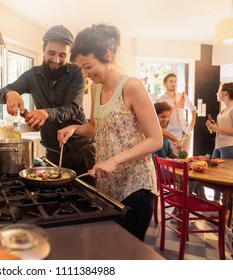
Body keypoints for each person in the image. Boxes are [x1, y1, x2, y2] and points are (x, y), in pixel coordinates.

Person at [57, 24, 162, 241]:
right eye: (81, 69)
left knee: (128, 252)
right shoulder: (96, 89)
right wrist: (74, 128)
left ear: (107, 55)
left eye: (88, 66)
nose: (85, 75)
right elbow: (96, 127)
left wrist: (114, 161)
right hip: (107, 184)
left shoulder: (132, 86)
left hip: (136, 184)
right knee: (110, 247)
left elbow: (155, 140)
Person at [0, 25, 95, 180]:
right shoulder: (31, 76)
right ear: (43, 50)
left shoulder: (77, 72)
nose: (56, 60)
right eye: (51, 53)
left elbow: (73, 108)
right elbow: (1, 92)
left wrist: (46, 112)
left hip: (82, 151)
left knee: (88, 197)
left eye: (62, 55)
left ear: (69, 55)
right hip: (53, 153)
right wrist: (10, 93)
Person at [157, 73, 197, 154]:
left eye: (175, 81)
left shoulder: (182, 96)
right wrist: (176, 106)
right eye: (171, 81)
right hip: (172, 134)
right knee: (174, 159)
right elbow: (163, 117)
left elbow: (193, 109)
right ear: (165, 84)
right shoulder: (161, 100)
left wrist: (192, 124)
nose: (174, 84)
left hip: (185, 132)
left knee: (184, 159)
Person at [206, 82, 233, 159]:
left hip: (229, 146)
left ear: (225, 93)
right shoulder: (225, 109)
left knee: (225, 171)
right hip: (218, 145)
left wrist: (216, 128)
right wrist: (214, 126)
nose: (217, 93)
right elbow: (225, 127)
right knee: (213, 167)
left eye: (219, 91)